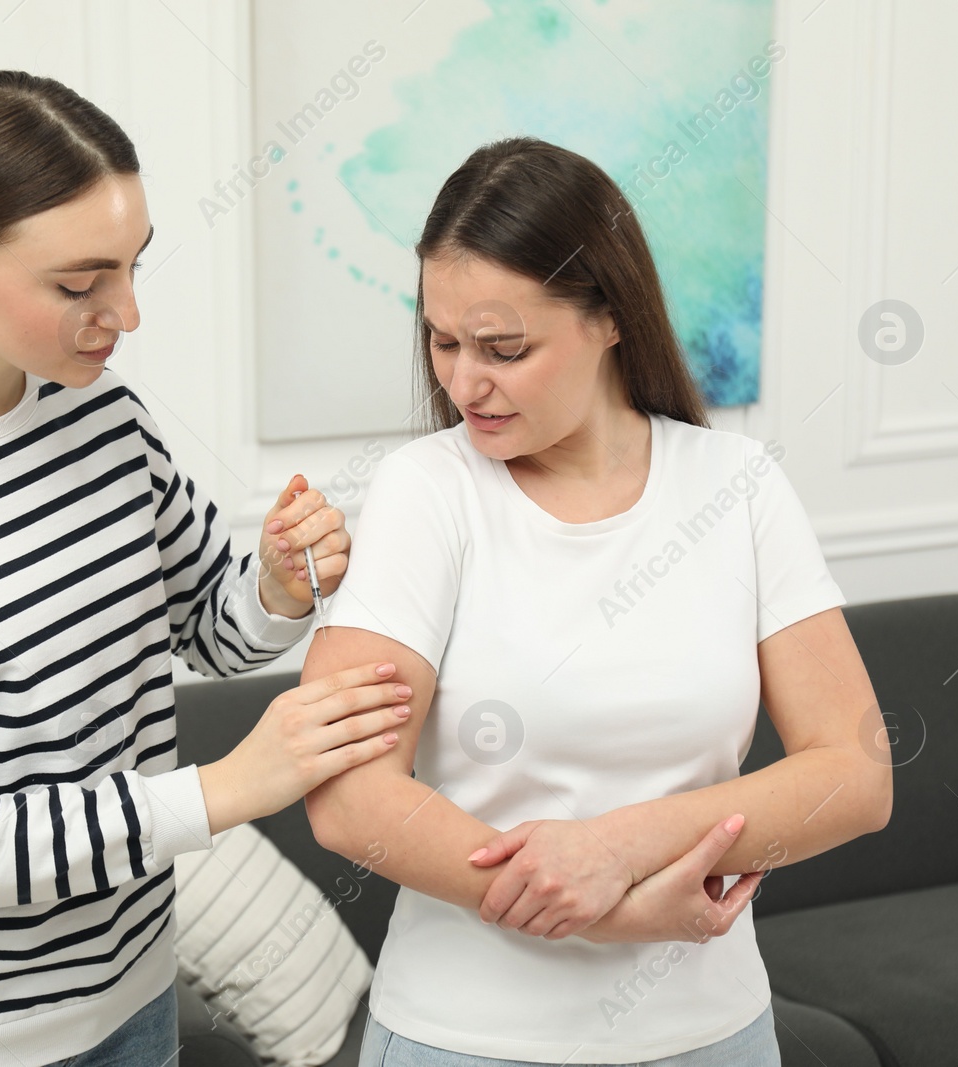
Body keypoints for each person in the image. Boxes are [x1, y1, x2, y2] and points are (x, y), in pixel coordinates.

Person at [0, 70, 413, 1067]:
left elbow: (211, 629)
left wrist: (274, 584)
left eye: (132, 266)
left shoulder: (104, 419)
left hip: (131, 999)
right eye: (79, 283)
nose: (126, 313)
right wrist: (227, 786)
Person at [303, 137, 893, 1066]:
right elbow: (348, 796)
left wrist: (622, 845)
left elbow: (855, 774)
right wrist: (603, 916)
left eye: (504, 348)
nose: (462, 383)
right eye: (441, 339)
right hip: (466, 1038)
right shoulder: (427, 491)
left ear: (610, 317)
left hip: (714, 1033)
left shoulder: (736, 484)